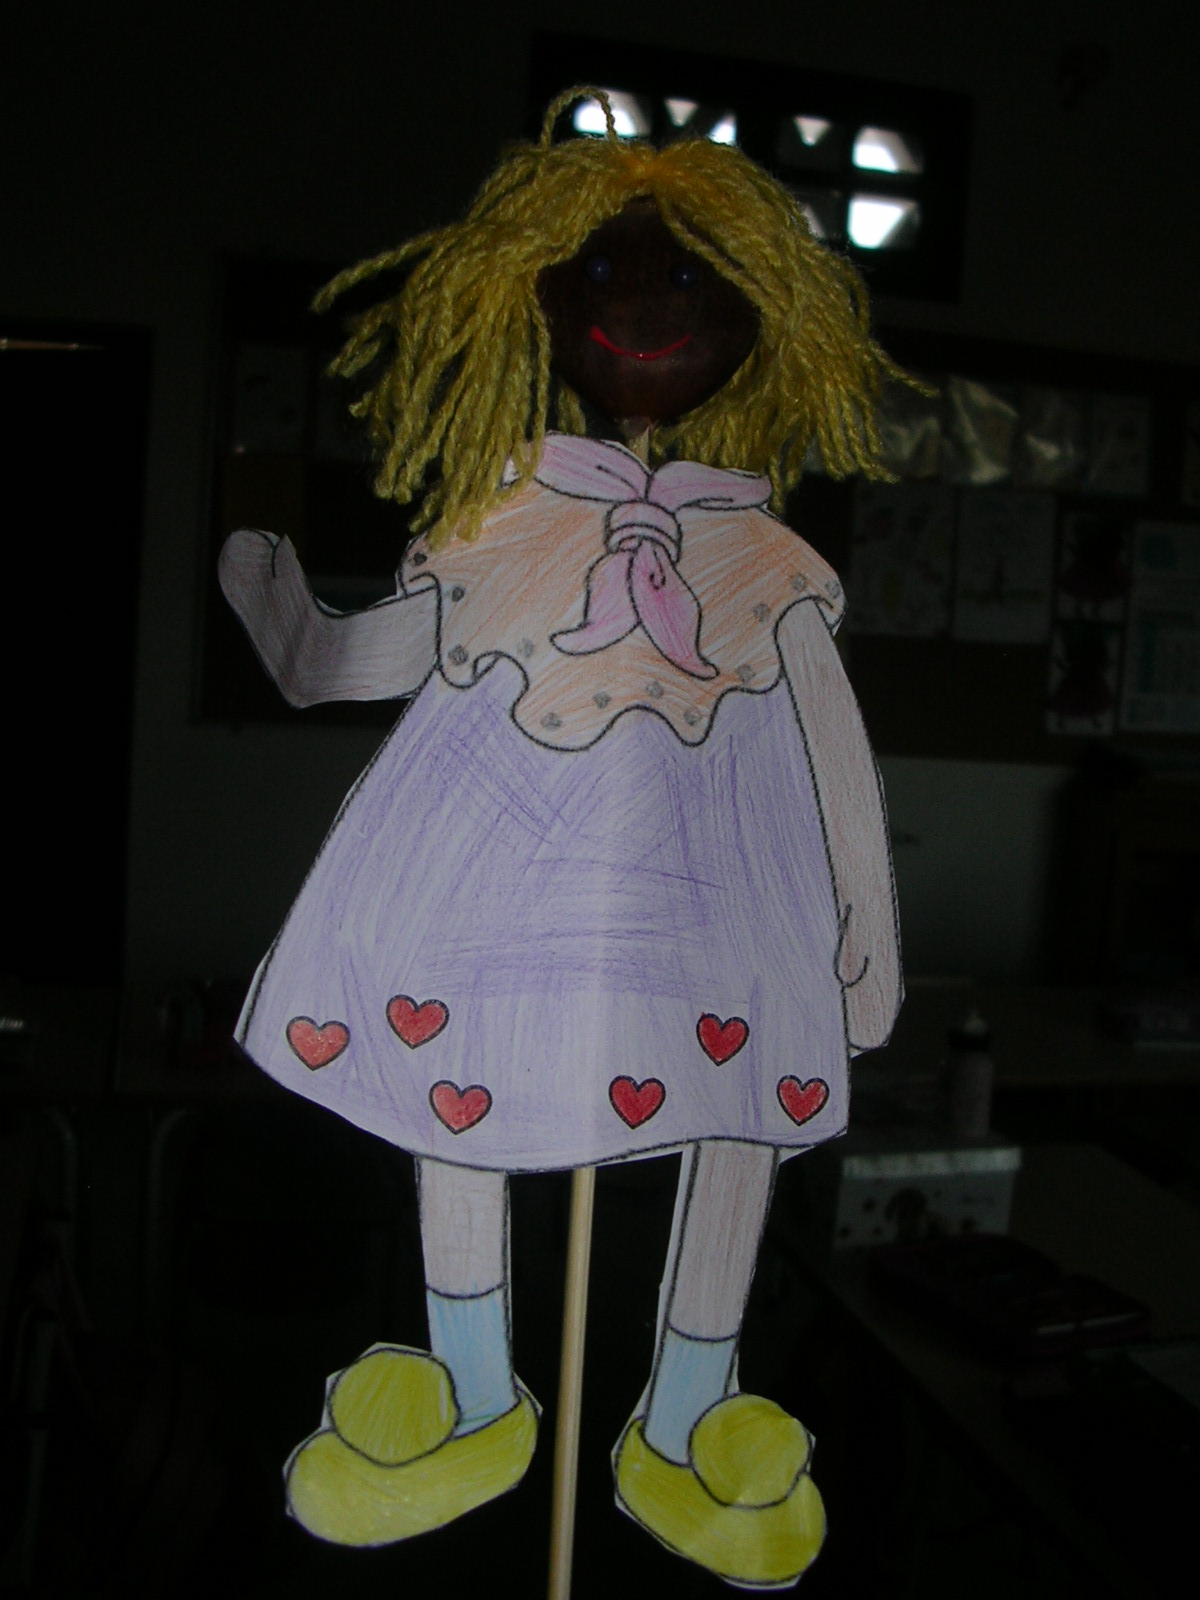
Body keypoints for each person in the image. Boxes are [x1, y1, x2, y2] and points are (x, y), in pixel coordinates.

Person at [221, 88, 903, 1588]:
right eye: (608, 275)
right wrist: (295, 638)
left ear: (759, 318)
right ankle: (472, 1388)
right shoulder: (505, 520)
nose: (648, 309)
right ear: (539, 299)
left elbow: (834, 747)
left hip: (720, 891)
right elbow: (375, 658)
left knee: (738, 1109)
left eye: (688, 280)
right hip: (489, 873)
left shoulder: (767, 561)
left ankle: (691, 1402)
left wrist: (865, 917)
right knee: (456, 1075)